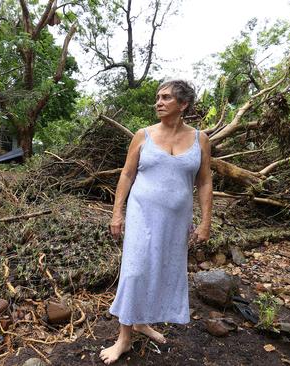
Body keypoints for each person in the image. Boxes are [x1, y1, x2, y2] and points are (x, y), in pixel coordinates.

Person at [99, 80, 213, 364]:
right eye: (157, 98)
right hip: (142, 215)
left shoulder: (200, 139)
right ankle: (124, 338)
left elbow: (205, 181)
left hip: (176, 220)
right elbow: (126, 174)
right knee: (136, 270)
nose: (158, 103)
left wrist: (205, 222)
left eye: (165, 98)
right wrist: (117, 213)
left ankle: (142, 322)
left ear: (183, 104)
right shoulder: (143, 135)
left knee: (161, 269)